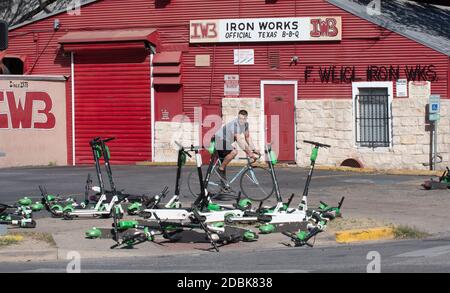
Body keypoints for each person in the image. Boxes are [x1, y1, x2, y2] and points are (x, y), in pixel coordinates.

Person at [214, 109, 260, 186]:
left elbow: (247, 137)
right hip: (219, 139)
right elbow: (238, 140)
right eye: (240, 118)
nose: (241, 120)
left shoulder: (246, 125)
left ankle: (224, 186)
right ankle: (220, 169)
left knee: (224, 162)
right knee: (234, 152)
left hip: (226, 141)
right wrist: (249, 153)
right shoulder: (235, 124)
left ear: (246, 118)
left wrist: (254, 149)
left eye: (243, 119)